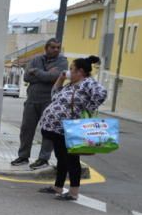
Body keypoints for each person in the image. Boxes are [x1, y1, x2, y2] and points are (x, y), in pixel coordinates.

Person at [37, 55, 107, 201]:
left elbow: (101, 93)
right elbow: (54, 96)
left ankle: (73, 192)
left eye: (71, 69)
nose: (69, 72)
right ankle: (58, 186)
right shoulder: (71, 85)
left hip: (70, 129)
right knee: (61, 158)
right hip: (57, 129)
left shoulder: (87, 83)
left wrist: (88, 109)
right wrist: (61, 79)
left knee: (72, 160)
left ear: (80, 71)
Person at [12, 38, 67, 168]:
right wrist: (46, 74)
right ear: (46, 48)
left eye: (58, 47)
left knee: (47, 130)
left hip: (49, 101)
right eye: (53, 47)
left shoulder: (62, 61)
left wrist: (36, 72)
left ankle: (43, 159)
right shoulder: (36, 59)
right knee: (26, 129)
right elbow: (26, 77)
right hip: (31, 99)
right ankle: (23, 156)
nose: (56, 50)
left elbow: (53, 77)